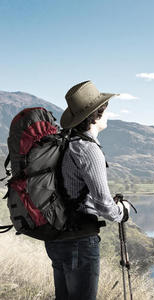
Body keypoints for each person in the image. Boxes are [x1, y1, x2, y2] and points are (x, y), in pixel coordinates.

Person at [44, 80, 131, 300]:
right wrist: (123, 211)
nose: (109, 114)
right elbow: (104, 205)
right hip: (79, 241)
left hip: (56, 236)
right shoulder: (88, 149)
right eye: (106, 109)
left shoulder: (65, 143)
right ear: (96, 115)